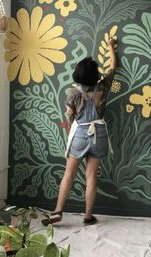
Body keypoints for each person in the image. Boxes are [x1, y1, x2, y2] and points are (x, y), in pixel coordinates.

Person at [41, 36, 117, 226]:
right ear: (95, 75)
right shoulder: (103, 87)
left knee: (69, 174)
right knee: (91, 176)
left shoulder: (73, 94)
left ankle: (58, 211)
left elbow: (69, 118)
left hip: (80, 134)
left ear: (78, 75)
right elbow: (113, 67)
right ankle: (88, 216)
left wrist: (70, 137)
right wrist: (110, 47)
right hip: (99, 134)